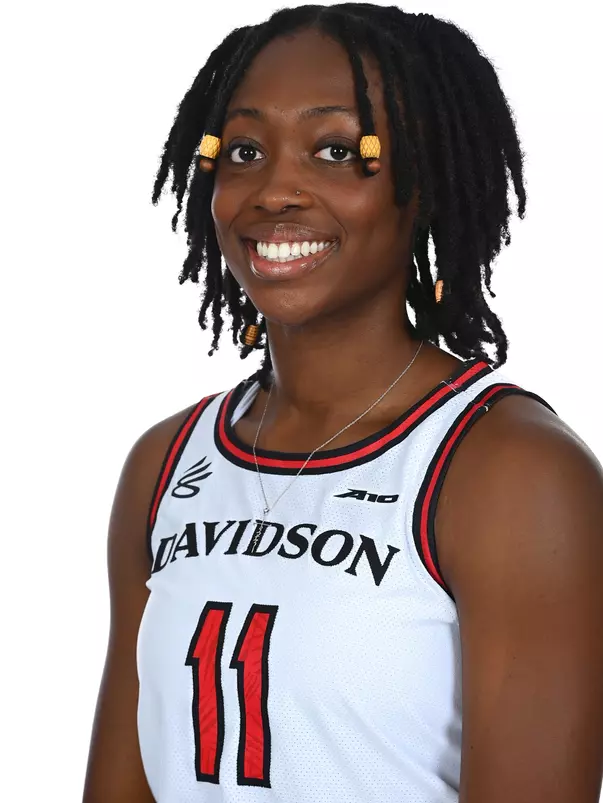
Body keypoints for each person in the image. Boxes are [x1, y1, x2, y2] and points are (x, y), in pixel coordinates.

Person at [82, 4, 603, 802]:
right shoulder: (164, 463)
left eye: (334, 151)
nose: (274, 192)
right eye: (245, 150)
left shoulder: (510, 472)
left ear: (422, 181)